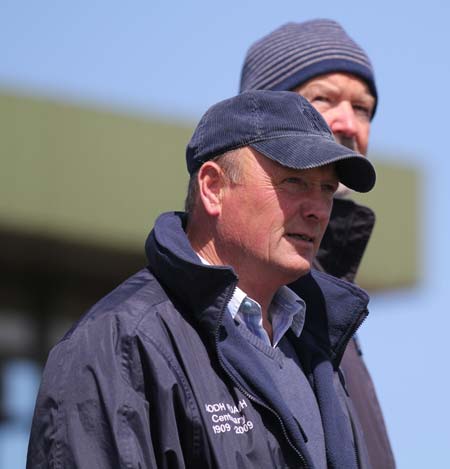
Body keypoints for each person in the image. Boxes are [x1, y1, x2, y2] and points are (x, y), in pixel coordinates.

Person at [27, 90, 377, 468]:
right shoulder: (120, 342)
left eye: (326, 188)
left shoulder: (316, 345)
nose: (318, 210)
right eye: (294, 182)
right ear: (213, 187)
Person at [240, 19, 395, 469]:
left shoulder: (335, 310)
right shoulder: (214, 292)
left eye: (363, 108)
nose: (347, 123)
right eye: (322, 99)